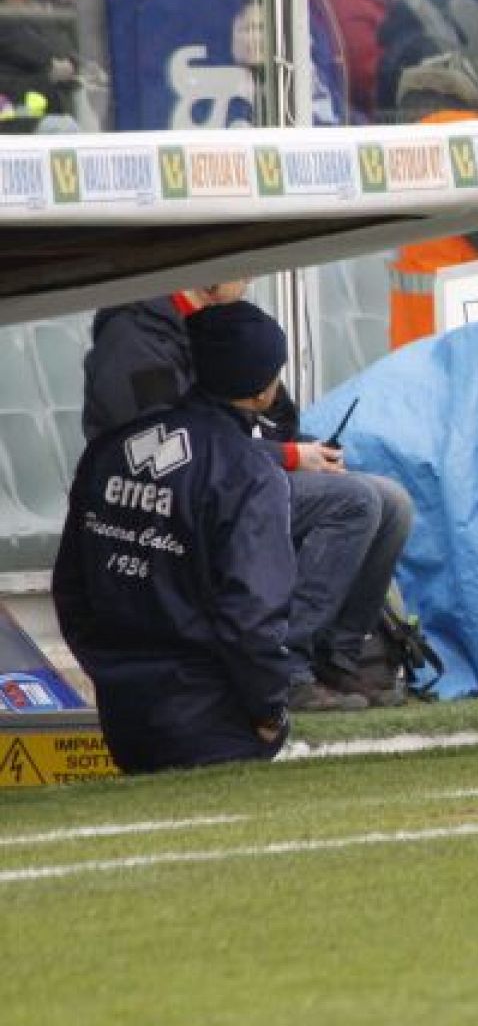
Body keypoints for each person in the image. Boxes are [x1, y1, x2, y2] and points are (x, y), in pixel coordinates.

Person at [82, 283, 412, 709]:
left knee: (393, 503)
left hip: (239, 471)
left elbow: (260, 422)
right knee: (355, 502)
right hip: (190, 497)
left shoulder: (216, 326)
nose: (250, 283)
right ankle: (284, 666)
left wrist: (304, 451)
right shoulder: (141, 338)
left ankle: (339, 657)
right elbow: (166, 449)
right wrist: (287, 456)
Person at [54, 302, 300, 773]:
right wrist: (270, 708)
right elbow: (252, 616)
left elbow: (72, 587)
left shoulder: (111, 450)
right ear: (262, 391)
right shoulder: (248, 473)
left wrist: (109, 670)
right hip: (214, 720)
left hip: (124, 716)